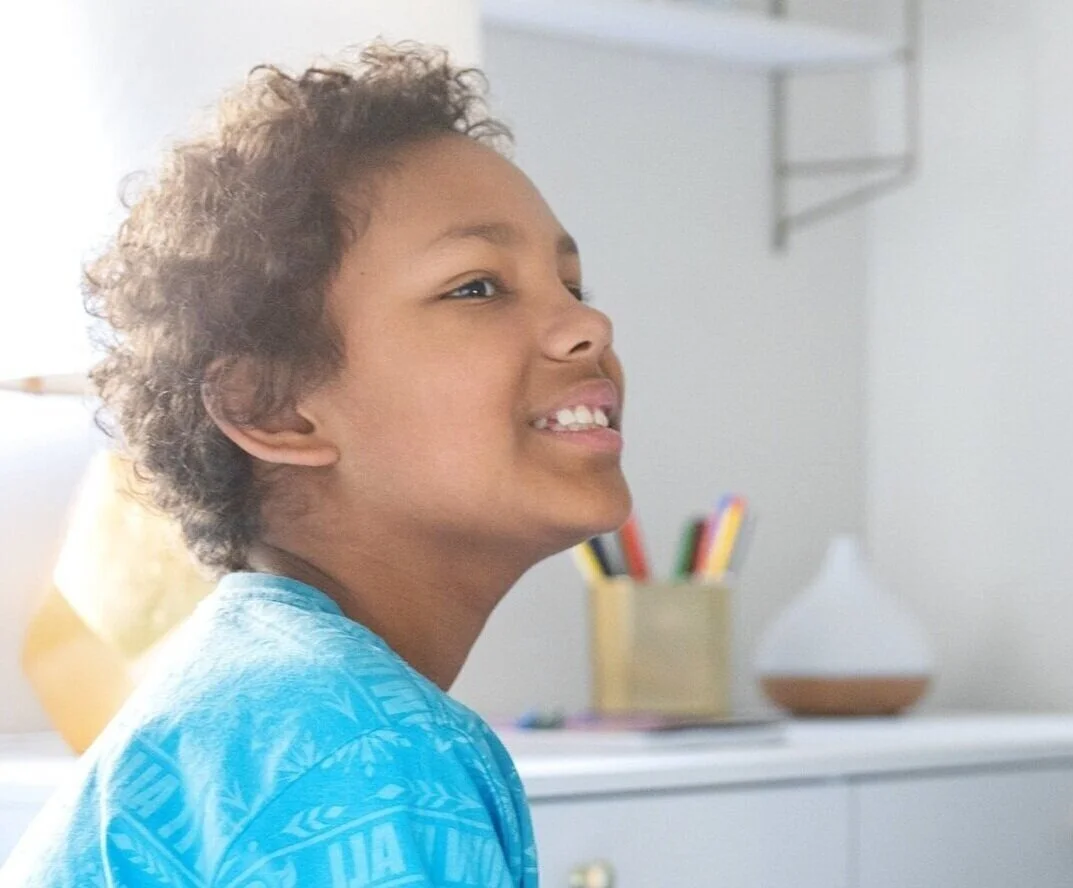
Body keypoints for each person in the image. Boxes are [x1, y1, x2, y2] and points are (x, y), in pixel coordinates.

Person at [1, 40, 631, 887]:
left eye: (573, 286)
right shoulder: (364, 755)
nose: (585, 327)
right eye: (476, 286)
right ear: (275, 409)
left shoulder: (277, 705)